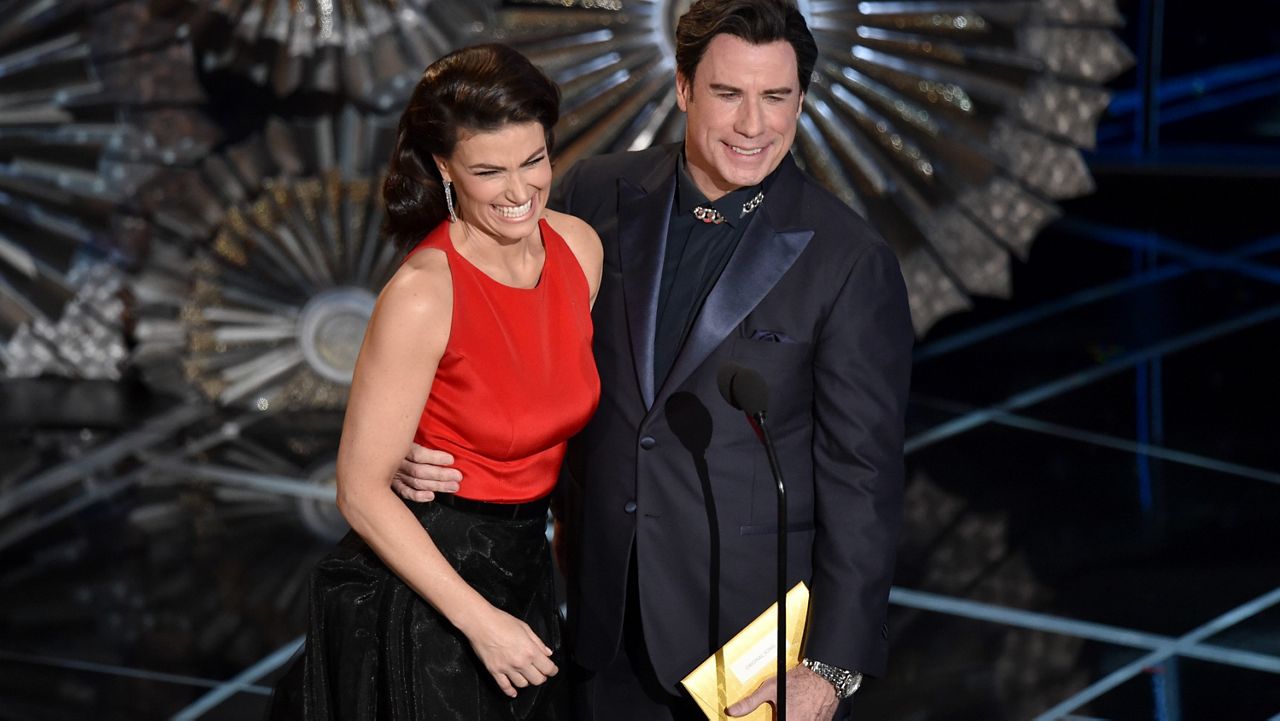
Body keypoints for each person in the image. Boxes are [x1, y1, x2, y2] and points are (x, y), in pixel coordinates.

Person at [394, 0, 913, 718]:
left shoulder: (850, 260)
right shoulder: (592, 194)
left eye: (777, 97)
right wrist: (414, 441)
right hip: (592, 616)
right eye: (729, 94)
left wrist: (829, 667)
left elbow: (865, 480)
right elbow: (492, 339)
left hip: (745, 647)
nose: (753, 125)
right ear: (683, 88)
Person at [267, 43, 602, 721]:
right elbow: (360, 488)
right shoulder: (424, 293)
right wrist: (480, 621)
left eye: (533, 160)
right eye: (489, 170)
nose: (519, 191)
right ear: (444, 167)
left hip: (523, 567)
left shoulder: (579, 248)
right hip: (429, 588)